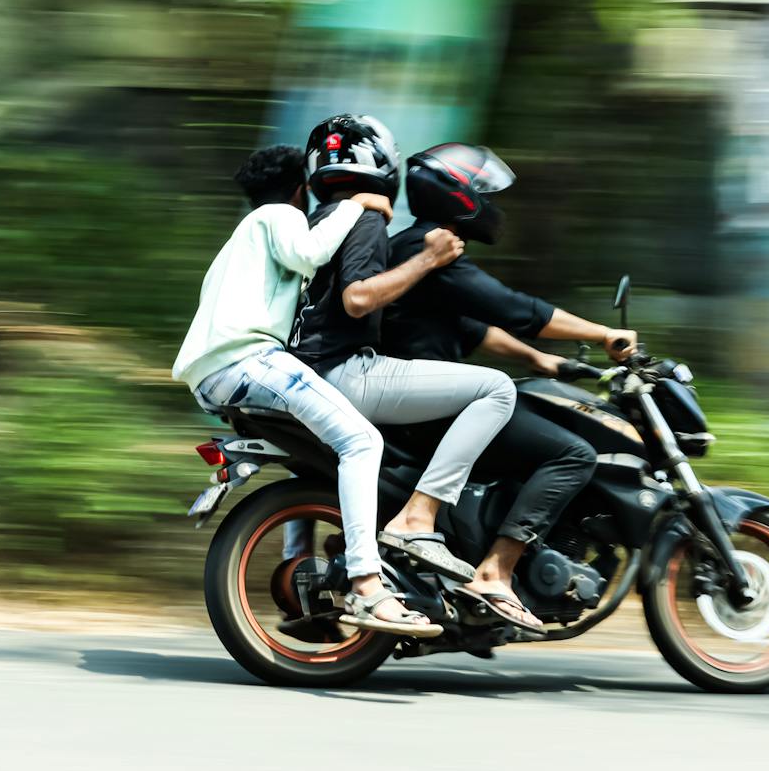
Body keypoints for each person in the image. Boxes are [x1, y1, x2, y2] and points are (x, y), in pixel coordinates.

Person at [174, 144, 441, 637]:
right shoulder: (279, 216)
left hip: (214, 376)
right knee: (362, 442)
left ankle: (301, 585)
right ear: (301, 189)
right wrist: (355, 205)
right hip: (247, 360)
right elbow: (309, 252)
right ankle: (367, 585)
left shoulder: (243, 238)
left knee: (313, 455)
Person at [382, 142, 639, 634]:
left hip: (418, 402)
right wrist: (603, 334)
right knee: (573, 454)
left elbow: (467, 325)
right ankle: (495, 573)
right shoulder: (432, 251)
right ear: (458, 196)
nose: (494, 208)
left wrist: (537, 359)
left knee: (527, 413)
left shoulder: (423, 249)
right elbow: (515, 309)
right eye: (486, 195)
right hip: (426, 409)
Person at [288, 114, 518, 588]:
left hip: (297, 377)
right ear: (385, 167)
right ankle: (420, 516)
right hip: (343, 371)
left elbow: (467, 325)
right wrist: (428, 259)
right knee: (496, 388)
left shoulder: (311, 224)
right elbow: (358, 299)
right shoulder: (368, 218)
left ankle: (306, 560)